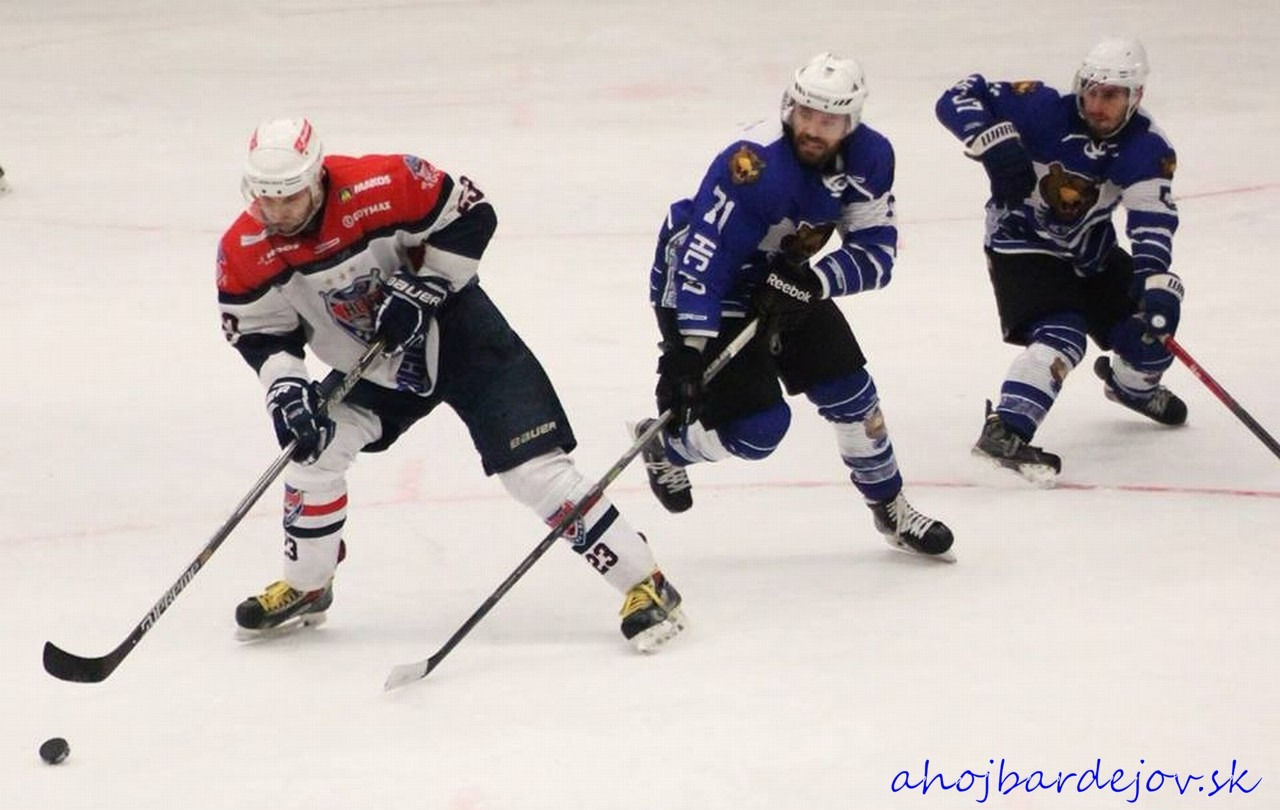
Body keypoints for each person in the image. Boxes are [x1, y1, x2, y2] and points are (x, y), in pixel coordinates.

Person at [216, 118, 684, 651]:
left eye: (290, 197)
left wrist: (424, 288)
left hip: (461, 338)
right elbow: (262, 333)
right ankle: (307, 584)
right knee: (312, 453)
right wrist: (286, 388)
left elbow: (473, 215)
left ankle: (645, 581)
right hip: (374, 365)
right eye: (266, 199)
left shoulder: (383, 183)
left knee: (534, 473)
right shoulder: (243, 248)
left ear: (318, 177)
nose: (276, 212)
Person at [634, 53, 954, 559]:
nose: (812, 129)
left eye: (828, 120)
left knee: (852, 393)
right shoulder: (753, 165)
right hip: (710, 284)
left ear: (851, 122)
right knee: (759, 431)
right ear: (790, 107)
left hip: (785, 277)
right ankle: (668, 448)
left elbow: (876, 255)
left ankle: (890, 508)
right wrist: (687, 350)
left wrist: (811, 281)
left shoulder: (870, 158)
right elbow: (705, 260)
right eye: (806, 113)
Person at [935, 37, 1186, 483]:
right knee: (1062, 334)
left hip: (1091, 251)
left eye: (1111, 95)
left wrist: (1152, 278)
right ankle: (1007, 430)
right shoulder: (1042, 108)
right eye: (1091, 91)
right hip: (1020, 243)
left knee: (1148, 337)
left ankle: (1131, 388)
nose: (1097, 105)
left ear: (1136, 96)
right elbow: (958, 96)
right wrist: (992, 140)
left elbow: (1152, 221)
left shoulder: (1147, 147)